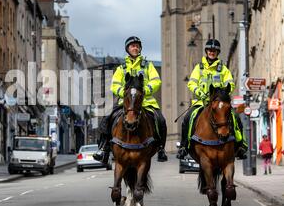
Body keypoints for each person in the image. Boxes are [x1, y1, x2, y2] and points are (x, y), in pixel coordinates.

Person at [93, 36, 168, 164]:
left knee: (160, 120)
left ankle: (161, 148)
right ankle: (103, 148)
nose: (135, 48)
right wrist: (125, 93)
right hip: (126, 104)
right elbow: (114, 84)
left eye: (137, 46)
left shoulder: (148, 65)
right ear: (128, 49)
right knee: (107, 118)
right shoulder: (121, 68)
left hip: (146, 102)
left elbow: (156, 81)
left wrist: (146, 90)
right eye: (132, 46)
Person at [176, 39, 248, 160]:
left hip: (219, 103)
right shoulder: (199, 68)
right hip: (201, 102)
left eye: (214, 50)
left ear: (217, 52)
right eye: (210, 50)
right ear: (206, 51)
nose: (212, 52)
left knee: (235, 117)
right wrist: (201, 93)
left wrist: (223, 94)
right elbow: (192, 83)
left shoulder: (223, 69)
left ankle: (241, 145)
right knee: (188, 118)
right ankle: (184, 146)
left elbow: (230, 83)